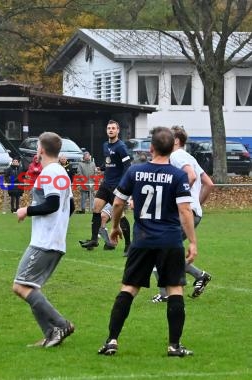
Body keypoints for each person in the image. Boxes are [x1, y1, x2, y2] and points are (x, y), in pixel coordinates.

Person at [98, 127, 197, 357]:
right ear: (172, 148)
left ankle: (112, 340)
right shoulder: (178, 175)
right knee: (175, 289)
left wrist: (114, 227)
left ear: (151, 148)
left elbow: (119, 202)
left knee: (129, 288)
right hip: (170, 241)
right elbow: (185, 211)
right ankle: (174, 346)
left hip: (142, 240)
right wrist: (192, 241)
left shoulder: (135, 171)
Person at [12, 132, 75, 348]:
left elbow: (52, 204)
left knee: (20, 286)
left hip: (45, 241)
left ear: (41, 149)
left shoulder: (50, 172)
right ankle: (51, 333)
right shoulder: (62, 173)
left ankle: (61, 324)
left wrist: (25, 210)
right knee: (30, 287)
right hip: (53, 240)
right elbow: (71, 207)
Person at [151, 126, 214, 303]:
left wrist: (179, 199)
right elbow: (209, 184)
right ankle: (200, 275)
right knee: (169, 253)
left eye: (169, 138)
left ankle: (165, 294)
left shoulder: (176, 155)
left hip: (183, 213)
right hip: (192, 213)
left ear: (176, 140)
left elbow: (191, 176)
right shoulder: (189, 156)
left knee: (159, 250)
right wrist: (196, 206)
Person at [80, 120, 131, 254]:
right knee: (96, 208)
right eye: (109, 128)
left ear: (118, 130)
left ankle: (128, 244)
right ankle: (94, 240)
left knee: (120, 216)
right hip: (106, 184)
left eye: (113, 128)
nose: (111, 130)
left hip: (116, 186)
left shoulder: (121, 147)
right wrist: (101, 168)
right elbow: (109, 162)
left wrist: (123, 184)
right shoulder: (105, 145)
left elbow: (127, 166)